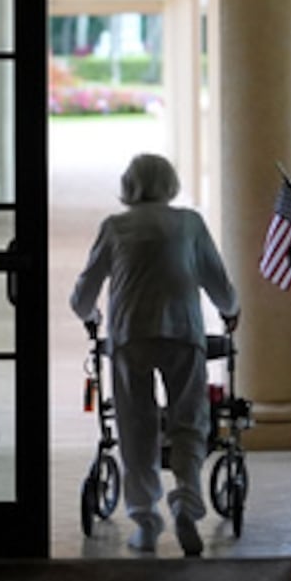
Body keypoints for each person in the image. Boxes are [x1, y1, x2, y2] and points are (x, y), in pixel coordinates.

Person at [70, 153, 239, 556]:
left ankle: (145, 521)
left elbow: (84, 292)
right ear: (171, 183)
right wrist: (231, 312)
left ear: (129, 185)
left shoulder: (114, 227)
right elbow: (219, 283)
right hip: (183, 332)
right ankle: (187, 501)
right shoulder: (189, 224)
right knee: (189, 422)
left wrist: (89, 314)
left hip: (131, 336)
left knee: (136, 426)